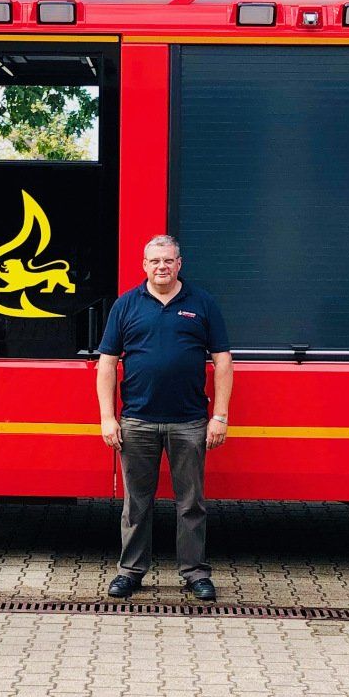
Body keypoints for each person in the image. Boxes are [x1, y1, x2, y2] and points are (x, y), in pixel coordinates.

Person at [96, 235, 234, 601]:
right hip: (137, 421)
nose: (162, 267)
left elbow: (223, 362)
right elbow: (107, 364)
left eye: (168, 260)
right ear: (144, 265)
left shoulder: (202, 303)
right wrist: (108, 417)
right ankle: (130, 572)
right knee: (136, 504)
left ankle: (195, 573)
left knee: (191, 503)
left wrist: (219, 415)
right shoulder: (126, 305)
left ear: (179, 264)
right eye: (155, 261)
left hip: (190, 421)